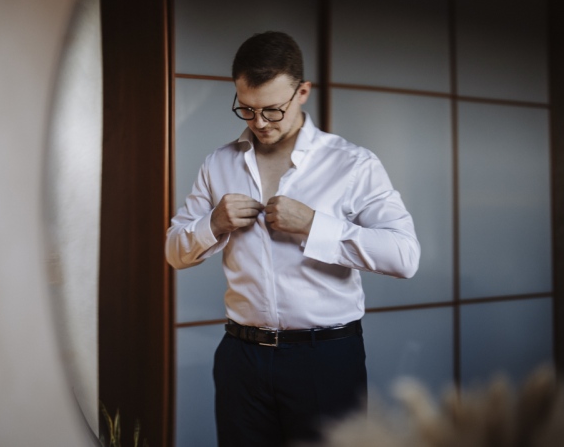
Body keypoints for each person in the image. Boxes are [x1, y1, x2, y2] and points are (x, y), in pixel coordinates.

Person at [165, 31, 420, 446]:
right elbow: (174, 252)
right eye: (246, 110)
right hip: (240, 356)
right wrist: (214, 222)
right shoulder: (218, 163)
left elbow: (404, 256)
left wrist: (313, 226)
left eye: (272, 110)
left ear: (302, 92)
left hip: (325, 357)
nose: (259, 123)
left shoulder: (353, 164)